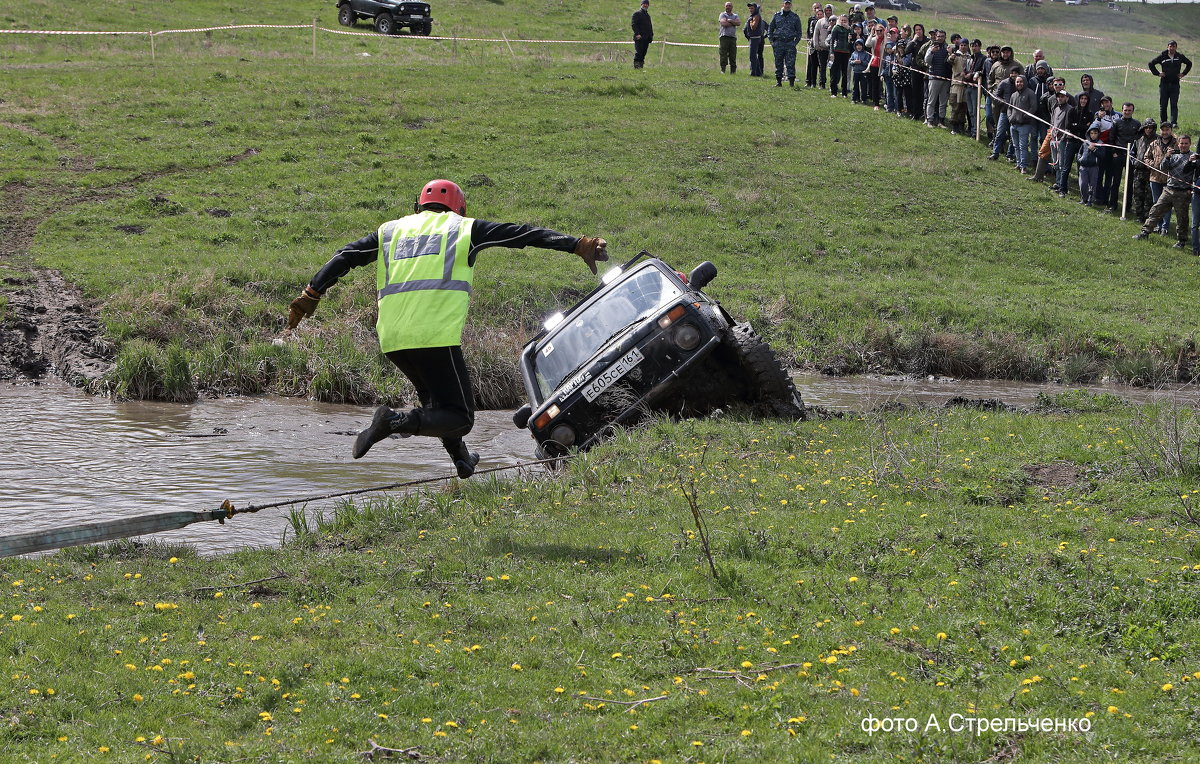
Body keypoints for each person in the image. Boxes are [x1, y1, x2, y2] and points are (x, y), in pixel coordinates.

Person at [287, 180, 608, 477]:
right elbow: (522, 234)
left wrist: (312, 292)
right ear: (460, 208)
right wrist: (576, 244)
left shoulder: (390, 232)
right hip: (434, 336)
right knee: (461, 418)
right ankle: (393, 421)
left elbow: (347, 256)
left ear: (418, 207)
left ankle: (461, 458)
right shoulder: (463, 229)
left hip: (393, 338)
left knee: (436, 405)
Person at [1134, 135, 1198, 249]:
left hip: (1183, 193)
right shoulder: (1173, 155)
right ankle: (1145, 232)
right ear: (1178, 144)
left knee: (1182, 218)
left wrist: (1192, 161)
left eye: (1185, 143)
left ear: (1190, 144)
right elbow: (1163, 167)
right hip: (1169, 190)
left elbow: (1187, 170)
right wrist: (1167, 157)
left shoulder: (1193, 157)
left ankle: (1181, 241)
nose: (1183, 145)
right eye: (1181, 143)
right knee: (1155, 210)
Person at [1145, 121, 1179, 234]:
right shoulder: (1154, 143)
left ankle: (1165, 227)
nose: (1165, 132)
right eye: (1163, 130)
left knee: (1167, 204)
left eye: (1167, 130)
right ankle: (1158, 225)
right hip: (1154, 178)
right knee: (1156, 202)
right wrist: (1153, 165)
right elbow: (1146, 157)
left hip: (1169, 179)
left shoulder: (1177, 143)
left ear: (1171, 130)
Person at [1148, 41, 1193, 127]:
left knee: (1174, 104)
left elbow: (1189, 63)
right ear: (1167, 47)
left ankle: (1173, 123)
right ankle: (1163, 122)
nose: (1172, 48)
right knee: (1163, 104)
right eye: (1170, 46)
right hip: (1164, 84)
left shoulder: (1179, 56)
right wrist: (1158, 73)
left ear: (1176, 47)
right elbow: (1151, 64)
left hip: (1175, 84)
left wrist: (1183, 73)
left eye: (1173, 46)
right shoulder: (1162, 56)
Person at [1007, 74, 1040, 174]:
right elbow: (1009, 108)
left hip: (1024, 125)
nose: (1019, 83)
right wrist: (1010, 117)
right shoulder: (1013, 95)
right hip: (1013, 125)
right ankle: (1019, 163)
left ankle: (1024, 166)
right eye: (1017, 82)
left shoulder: (1030, 93)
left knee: (1023, 146)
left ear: (1024, 82)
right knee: (1016, 146)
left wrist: (1025, 116)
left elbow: (1034, 107)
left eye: (1021, 81)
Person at [768, 0, 804, 87]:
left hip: (790, 43)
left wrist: (794, 43)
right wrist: (772, 41)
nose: (787, 5)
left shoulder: (795, 17)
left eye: (789, 4)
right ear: (783, 4)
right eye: (786, 4)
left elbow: (799, 32)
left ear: (791, 5)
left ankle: (791, 83)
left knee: (790, 64)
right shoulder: (776, 16)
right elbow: (770, 29)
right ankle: (778, 82)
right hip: (778, 43)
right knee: (778, 63)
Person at [1131, 119, 1158, 223]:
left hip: (1151, 172)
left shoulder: (1158, 140)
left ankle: (1147, 217)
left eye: (1151, 127)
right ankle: (1139, 216)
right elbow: (1132, 153)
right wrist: (1134, 162)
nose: (1148, 129)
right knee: (1138, 194)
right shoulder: (1138, 140)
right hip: (1138, 171)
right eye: (1146, 127)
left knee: (1149, 196)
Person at [924, 30, 951, 128]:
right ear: (936, 37)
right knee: (931, 101)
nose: (940, 38)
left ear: (945, 37)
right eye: (938, 36)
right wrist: (931, 52)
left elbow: (951, 62)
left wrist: (950, 54)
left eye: (942, 36)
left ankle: (941, 121)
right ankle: (930, 120)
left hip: (945, 78)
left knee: (943, 102)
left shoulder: (948, 48)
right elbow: (926, 60)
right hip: (934, 77)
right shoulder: (931, 48)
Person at [1077, 127, 1104, 206]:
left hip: (1094, 167)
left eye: (1095, 133)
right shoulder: (1085, 142)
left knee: (1092, 185)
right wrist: (1080, 159)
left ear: (1098, 134)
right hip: (1083, 166)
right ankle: (1083, 199)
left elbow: (1102, 155)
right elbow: (1080, 152)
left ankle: (1090, 200)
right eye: (1091, 133)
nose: (1093, 135)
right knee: (1083, 184)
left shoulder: (1100, 143)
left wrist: (1094, 150)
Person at [828, 14, 852, 97]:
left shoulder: (849, 29)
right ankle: (833, 91)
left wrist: (849, 29)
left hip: (846, 52)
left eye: (845, 21)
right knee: (834, 71)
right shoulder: (836, 28)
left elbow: (852, 38)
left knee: (845, 73)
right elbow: (832, 41)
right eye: (842, 20)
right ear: (839, 20)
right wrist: (832, 52)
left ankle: (844, 92)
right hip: (837, 51)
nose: (843, 22)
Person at [745, 3, 768, 77]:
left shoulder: (756, 16)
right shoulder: (753, 16)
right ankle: (759, 72)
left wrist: (750, 21)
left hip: (755, 38)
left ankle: (753, 73)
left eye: (752, 8)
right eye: (750, 8)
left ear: (755, 9)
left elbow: (753, 27)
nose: (750, 10)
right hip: (754, 38)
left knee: (752, 56)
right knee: (755, 56)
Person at [719, 2, 741, 73]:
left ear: (732, 7)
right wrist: (733, 23)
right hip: (724, 37)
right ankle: (723, 69)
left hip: (732, 38)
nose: (728, 7)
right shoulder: (722, 14)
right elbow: (723, 23)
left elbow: (738, 23)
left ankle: (733, 71)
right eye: (727, 6)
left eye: (729, 6)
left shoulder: (735, 15)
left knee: (733, 54)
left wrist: (731, 21)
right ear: (725, 7)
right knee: (723, 54)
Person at [804, 3, 822, 87]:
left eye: (818, 7)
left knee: (821, 64)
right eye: (815, 8)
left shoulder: (824, 19)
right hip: (812, 43)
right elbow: (808, 31)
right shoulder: (811, 19)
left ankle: (821, 82)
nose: (816, 9)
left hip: (821, 44)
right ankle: (809, 81)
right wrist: (808, 40)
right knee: (811, 63)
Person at [632, 0, 653, 69]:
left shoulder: (647, 15)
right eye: (644, 4)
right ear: (641, 4)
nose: (645, 5)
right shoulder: (637, 14)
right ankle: (637, 67)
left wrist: (651, 36)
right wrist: (637, 34)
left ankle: (640, 68)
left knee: (643, 54)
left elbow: (650, 26)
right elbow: (634, 25)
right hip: (639, 38)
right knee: (638, 53)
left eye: (647, 4)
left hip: (646, 39)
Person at [850, 38, 870, 103]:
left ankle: (864, 99)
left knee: (863, 86)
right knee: (855, 86)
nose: (859, 47)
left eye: (860, 45)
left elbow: (867, 63)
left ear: (863, 46)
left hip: (863, 72)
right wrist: (854, 62)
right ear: (855, 46)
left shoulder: (865, 54)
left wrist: (861, 62)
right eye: (857, 45)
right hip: (855, 72)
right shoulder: (854, 53)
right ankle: (855, 98)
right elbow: (850, 61)